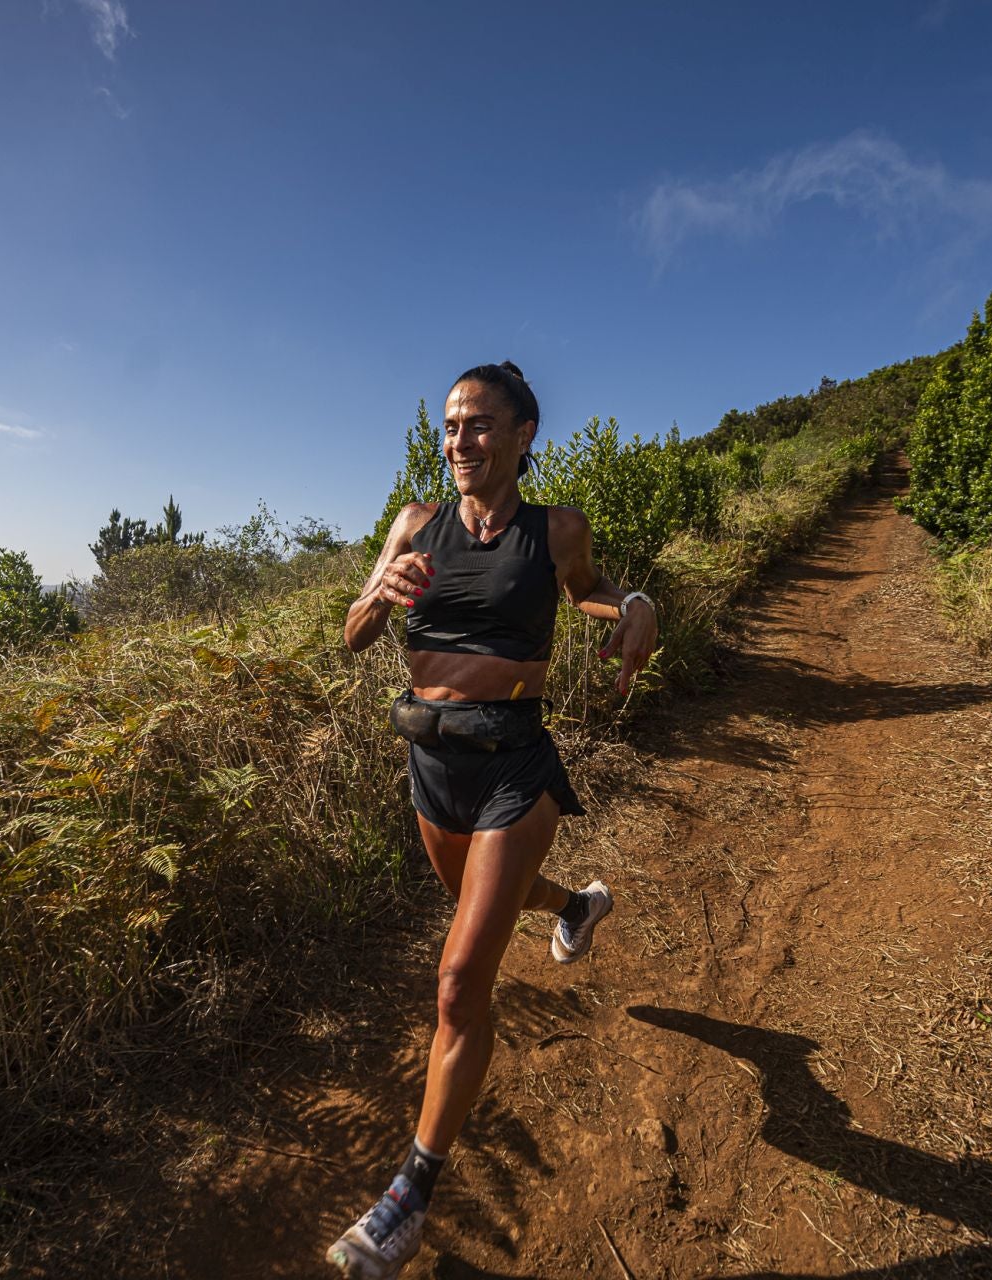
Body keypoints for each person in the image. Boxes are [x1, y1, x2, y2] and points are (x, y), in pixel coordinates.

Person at [328, 361, 659, 1278]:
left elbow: (589, 590)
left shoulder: (554, 529)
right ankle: (572, 905)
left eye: (478, 425)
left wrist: (635, 605)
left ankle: (407, 1200)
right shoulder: (410, 524)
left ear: (522, 435)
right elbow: (355, 633)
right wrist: (378, 591)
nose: (459, 442)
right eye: (448, 427)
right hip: (429, 766)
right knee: (497, 905)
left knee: (457, 978)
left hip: (515, 763)